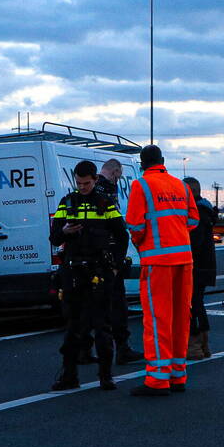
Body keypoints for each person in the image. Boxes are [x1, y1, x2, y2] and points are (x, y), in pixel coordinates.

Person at [125, 145, 199, 396]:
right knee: (180, 317)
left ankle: (157, 380)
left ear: (142, 163)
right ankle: (178, 375)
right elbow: (193, 221)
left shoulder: (141, 186)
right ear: (163, 161)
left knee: (158, 320)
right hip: (184, 260)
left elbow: (135, 225)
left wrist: (143, 243)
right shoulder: (181, 185)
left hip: (157, 263)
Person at [49, 160, 128, 391]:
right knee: (73, 327)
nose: (82, 187)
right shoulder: (67, 202)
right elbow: (54, 238)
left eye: (86, 183)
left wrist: (115, 267)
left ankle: (106, 376)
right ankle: (69, 376)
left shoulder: (105, 204)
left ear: (95, 179)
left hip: (99, 272)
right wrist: (64, 232)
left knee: (102, 326)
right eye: (79, 183)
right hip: (73, 271)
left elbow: (122, 237)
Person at [93, 158, 144, 365]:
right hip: (109, 257)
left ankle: (95, 351)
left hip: (94, 256)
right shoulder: (106, 192)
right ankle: (122, 349)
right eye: (118, 176)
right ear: (114, 172)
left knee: (96, 307)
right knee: (116, 304)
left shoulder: (88, 192)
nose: (118, 180)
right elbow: (117, 229)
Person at [183, 177, 217, 360]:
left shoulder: (195, 215)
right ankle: (203, 346)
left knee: (192, 306)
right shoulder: (206, 210)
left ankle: (195, 347)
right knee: (198, 304)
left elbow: (193, 244)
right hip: (205, 266)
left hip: (195, 267)